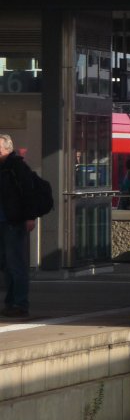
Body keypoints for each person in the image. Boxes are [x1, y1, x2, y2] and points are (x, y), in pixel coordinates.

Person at [0, 133, 36, 319]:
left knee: (16, 264)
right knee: (6, 264)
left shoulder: (17, 167)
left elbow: (28, 193)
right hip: (3, 221)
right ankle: (10, 303)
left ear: (7, 148)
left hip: (13, 221)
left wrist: (30, 217)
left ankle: (20, 304)